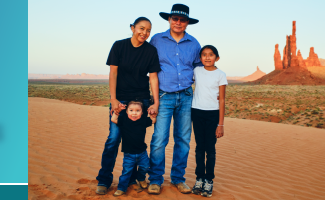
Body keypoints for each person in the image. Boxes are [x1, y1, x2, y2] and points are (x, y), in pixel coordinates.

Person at [94, 16, 161, 195]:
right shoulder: (119, 46)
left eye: (148, 30)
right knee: (113, 139)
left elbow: (153, 77)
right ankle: (104, 179)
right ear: (132, 28)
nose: (144, 33)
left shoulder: (150, 51)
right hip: (121, 100)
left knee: (134, 140)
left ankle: (131, 178)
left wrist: (156, 102)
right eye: (141, 28)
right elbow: (113, 73)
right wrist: (114, 99)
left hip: (141, 101)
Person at [148, 3, 202, 195]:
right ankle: (155, 179)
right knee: (159, 139)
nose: (178, 22)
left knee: (183, 139)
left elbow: (199, 70)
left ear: (187, 23)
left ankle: (178, 179)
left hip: (187, 96)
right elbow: (148, 65)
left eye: (182, 19)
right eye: (175, 18)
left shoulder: (194, 44)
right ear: (169, 20)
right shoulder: (156, 40)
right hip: (163, 96)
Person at [190, 45, 227, 198]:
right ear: (200, 58)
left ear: (216, 58)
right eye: (204, 55)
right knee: (199, 148)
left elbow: (222, 100)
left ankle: (209, 181)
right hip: (196, 112)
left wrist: (221, 124)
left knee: (210, 149)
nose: (207, 57)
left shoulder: (221, 74)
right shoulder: (196, 71)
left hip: (213, 114)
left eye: (210, 55)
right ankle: (199, 179)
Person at [112, 101, 153, 196]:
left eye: (138, 111)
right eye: (131, 110)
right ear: (126, 112)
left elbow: (153, 121)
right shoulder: (124, 120)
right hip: (128, 154)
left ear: (142, 112)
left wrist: (151, 113)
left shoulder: (143, 121)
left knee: (146, 167)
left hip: (142, 152)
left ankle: (141, 178)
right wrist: (117, 111)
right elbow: (114, 120)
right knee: (126, 171)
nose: (134, 113)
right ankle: (121, 188)